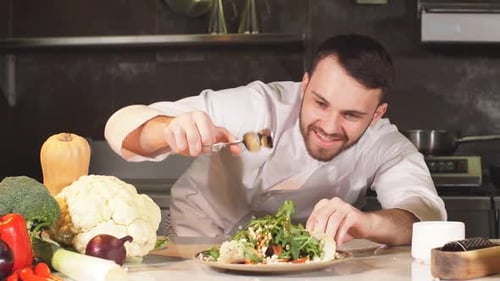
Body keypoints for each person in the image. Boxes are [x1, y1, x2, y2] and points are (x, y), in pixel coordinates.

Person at [104, 33, 446, 246]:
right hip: (199, 239)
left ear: (377, 114)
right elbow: (122, 127)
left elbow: (423, 215)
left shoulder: (385, 146)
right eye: (320, 103)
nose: (328, 126)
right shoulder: (257, 106)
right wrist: (167, 129)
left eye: (351, 115)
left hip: (308, 257)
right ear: (305, 84)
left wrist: (368, 222)